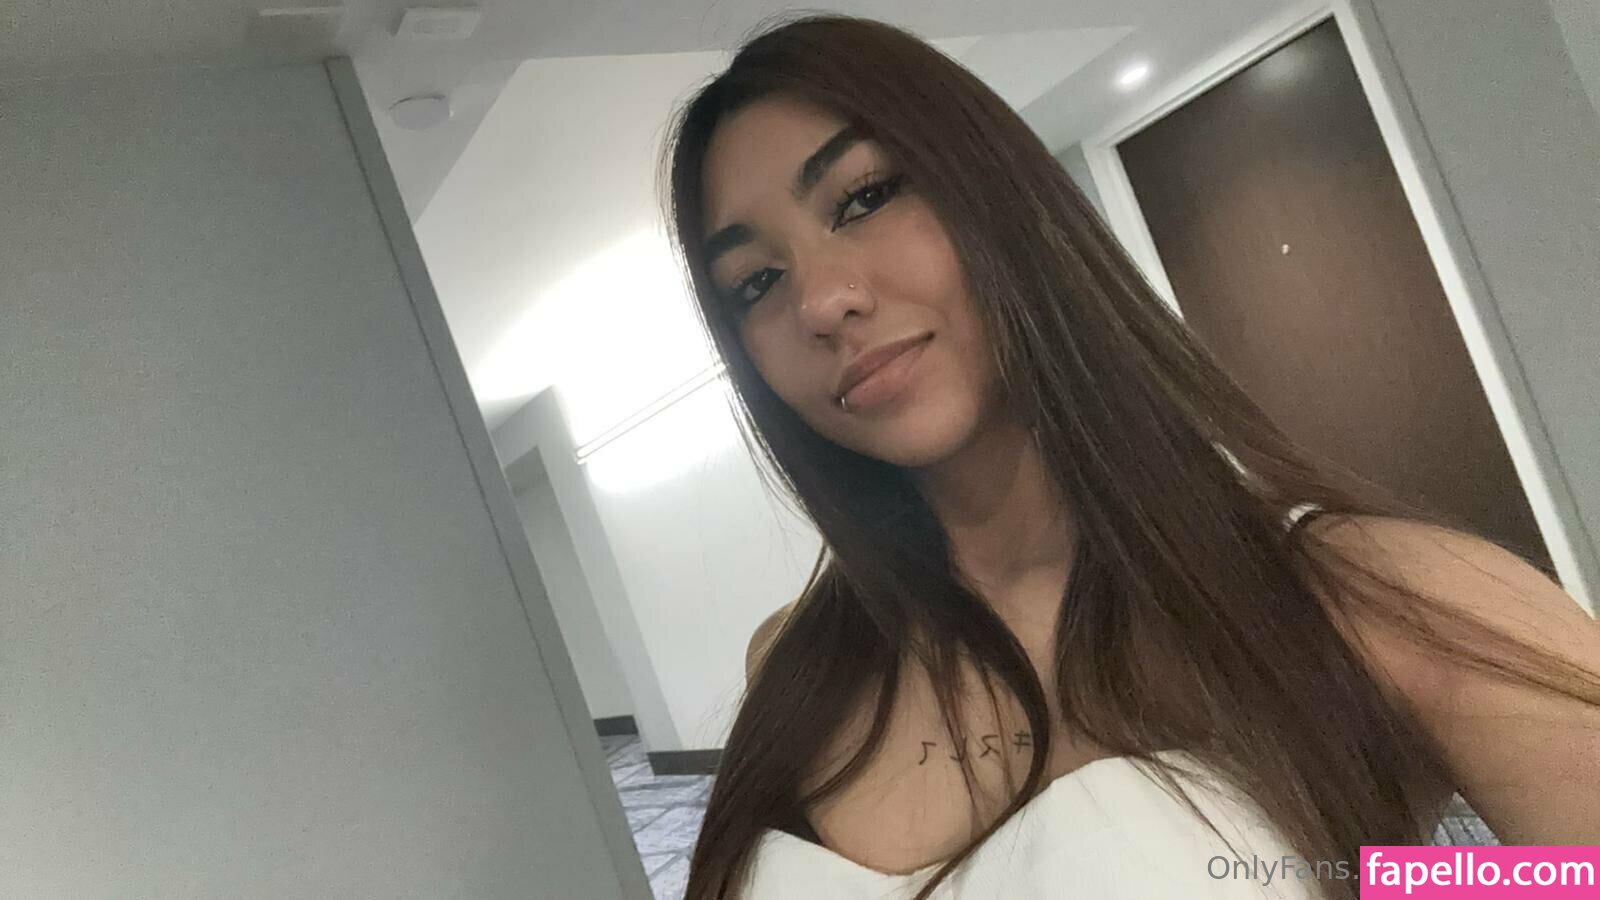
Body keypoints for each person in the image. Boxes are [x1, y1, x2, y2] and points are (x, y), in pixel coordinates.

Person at [658, 14, 1600, 899]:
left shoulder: (1375, 598)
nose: (819, 303)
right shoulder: (795, 660)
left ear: (1002, 196)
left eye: (865, 197)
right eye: (755, 282)